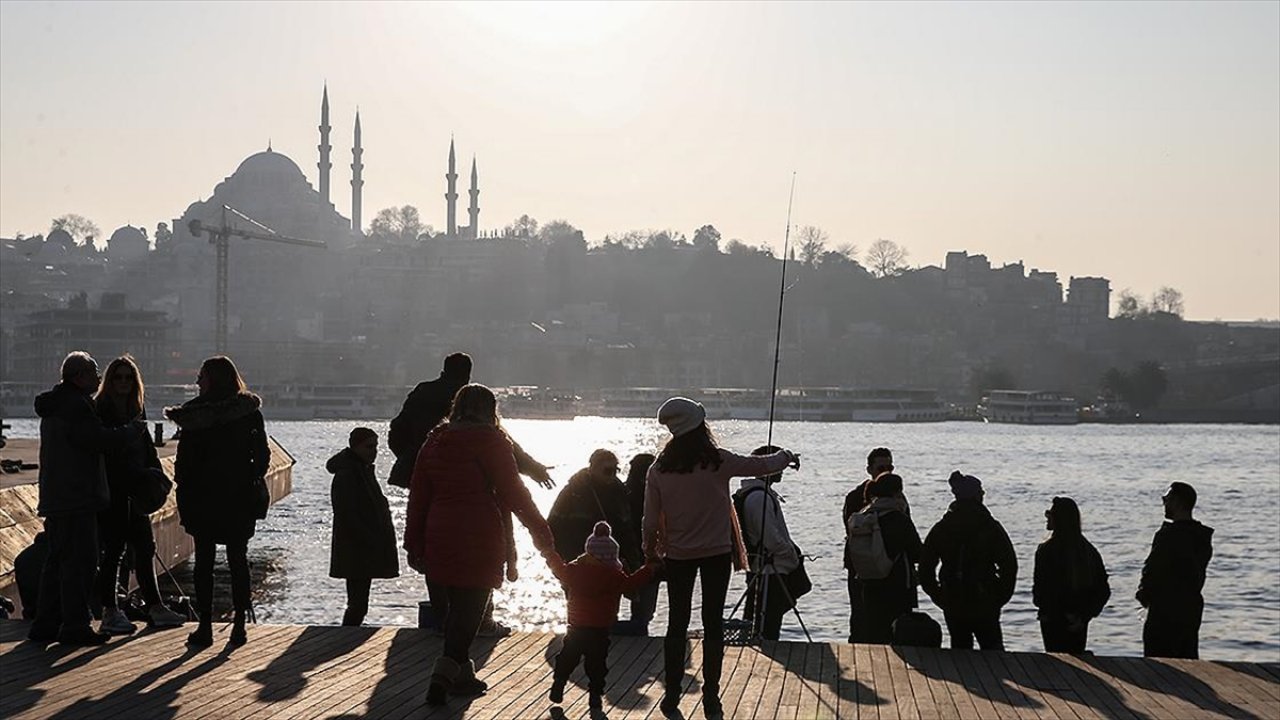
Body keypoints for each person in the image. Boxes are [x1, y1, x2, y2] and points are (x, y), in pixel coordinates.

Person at [644, 397, 799, 720]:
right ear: (700, 426)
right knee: (713, 624)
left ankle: (671, 696)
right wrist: (786, 456)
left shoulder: (658, 469)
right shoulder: (718, 461)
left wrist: (650, 553)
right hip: (715, 554)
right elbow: (761, 466)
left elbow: (649, 520)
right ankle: (711, 697)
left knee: (677, 624)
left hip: (677, 556)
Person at [403, 383, 557, 706]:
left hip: (439, 531)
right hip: (479, 535)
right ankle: (440, 678)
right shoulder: (492, 440)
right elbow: (515, 493)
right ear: (490, 410)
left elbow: (418, 496)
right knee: (471, 612)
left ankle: (462, 677)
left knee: (456, 611)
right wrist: (541, 532)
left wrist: (413, 542)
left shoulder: (434, 440)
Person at [389, 352, 554, 637]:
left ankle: (445, 620)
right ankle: (481, 622)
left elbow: (396, 430)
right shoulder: (471, 405)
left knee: (436, 553)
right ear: (467, 373)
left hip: (428, 481)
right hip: (474, 499)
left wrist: (410, 459)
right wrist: (535, 469)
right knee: (480, 560)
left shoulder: (424, 401)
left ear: (443, 369)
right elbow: (505, 455)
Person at [28, 351, 145, 645]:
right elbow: (98, 440)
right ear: (79, 376)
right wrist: (131, 431)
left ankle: (45, 624)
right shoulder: (77, 406)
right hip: (77, 496)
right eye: (94, 372)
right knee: (81, 562)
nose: (98, 377)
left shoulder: (55, 404)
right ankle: (76, 626)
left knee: (56, 561)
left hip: (56, 494)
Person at [165, 356, 270, 648]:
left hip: (202, 496)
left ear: (212, 379)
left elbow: (184, 463)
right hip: (237, 496)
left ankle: (206, 625)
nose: (197, 381)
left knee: (204, 563)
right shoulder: (248, 412)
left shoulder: (193, 414)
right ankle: (238, 626)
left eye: (201, 376)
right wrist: (250, 477)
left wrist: (185, 491)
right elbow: (262, 455)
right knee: (238, 559)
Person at [94, 355, 186, 634]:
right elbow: (107, 451)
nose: (123, 382)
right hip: (114, 491)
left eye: (128, 377)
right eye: (118, 377)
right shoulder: (102, 410)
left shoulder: (136, 408)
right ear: (109, 381)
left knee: (145, 548)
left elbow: (145, 447)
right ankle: (109, 610)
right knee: (114, 551)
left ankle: (155, 606)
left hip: (136, 489)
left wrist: (155, 472)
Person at [546, 521, 658, 712]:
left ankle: (559, 681)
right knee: (597, 666)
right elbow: (631, 584)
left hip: (576, 626)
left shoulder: (574, 571)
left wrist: (550, 554)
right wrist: (649, 569)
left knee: (568, 657)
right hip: (600, 629)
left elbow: (558, 570)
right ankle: (595, 698)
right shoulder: (614, 576)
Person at [549, 450, 646, 634]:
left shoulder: (619, 492)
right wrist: (565, 560)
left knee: (607, 609)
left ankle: (600, 638)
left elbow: (627, 530)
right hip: (580, 561)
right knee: (580, 610)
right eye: (607, 471)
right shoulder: (573, 492)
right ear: (592, 468)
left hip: (610, 563)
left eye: (615, 471)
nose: (612, 476)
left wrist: (632, 562)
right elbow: (554, 525)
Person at [918, 471, 1017, 651]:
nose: (983, 495)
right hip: (985, 598)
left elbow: (925, 567)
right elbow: (1009, 565)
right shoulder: (991, 528)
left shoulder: (942, 528)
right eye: (981, 492)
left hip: (953, 598)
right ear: (976, 496)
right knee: (994, 653)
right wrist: (1000, 596)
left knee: (960, 652)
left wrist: (939, 595)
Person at [328, 427, 399, 627]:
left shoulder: (361, 470)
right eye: (369, 447)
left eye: (375, 446)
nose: (374, 451)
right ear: (356, 446)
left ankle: (348, 633)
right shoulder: (349, 474)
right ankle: (347, 634)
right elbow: (346, 513)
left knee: (359, 602)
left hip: (360, 545)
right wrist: (370, 538)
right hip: (357, 547)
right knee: (358, 602)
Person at [1136, 482, 1213, 659]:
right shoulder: (1202, 537)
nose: (1164, 503)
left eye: (1166, 499)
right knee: (1187, 656)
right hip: (1191, 607)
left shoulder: (1168, 535)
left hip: (1164, 610)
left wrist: (1144, 594)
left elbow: (1153, 569)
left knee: (1158, 659)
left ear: (1177, 502)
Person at [735, 445, 803, 641]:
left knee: (763, 618)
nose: (781, 470)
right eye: (778, 465)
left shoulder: (755, 494)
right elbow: (771, 538)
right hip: (768, 570)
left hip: (763, 567)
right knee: (767, 623)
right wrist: (790, 555)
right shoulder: (758, 498)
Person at [1032, 497, 1110, 653]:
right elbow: (1103, 589)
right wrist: (1085, 615)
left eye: (1049, 514)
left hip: (1052, 620)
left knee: (1056, 664)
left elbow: (1042, 587)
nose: (1047, 518)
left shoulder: (1046, 550)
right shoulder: (1088, 550)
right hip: (1077, 619)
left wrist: (1044, 608)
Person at [856, 473, 922, 644]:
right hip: (897, 582)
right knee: (898, 631)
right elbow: (917, 552)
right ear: (897, 492)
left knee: (874, 631)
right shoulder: (898, 518)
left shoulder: (865, 515)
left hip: (868, 580)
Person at [842, 447, 898, 643]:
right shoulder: (855, 497)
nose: (886, 471)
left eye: (889, 467)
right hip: (861, 566)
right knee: (860, 616)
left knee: (888, 618)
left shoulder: (897, 497)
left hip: (887, 566)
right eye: (881, 467)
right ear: (869, 469)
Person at [619, 452, 659, 636]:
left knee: (613, 602)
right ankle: (639, 632)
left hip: (622, 557)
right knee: (644, 609)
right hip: (647, 556)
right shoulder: (656, 495)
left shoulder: (621, 493)